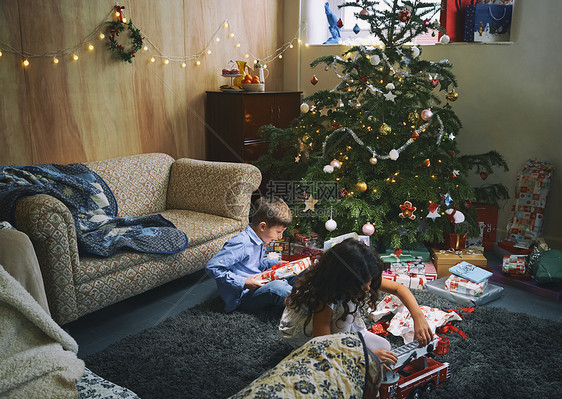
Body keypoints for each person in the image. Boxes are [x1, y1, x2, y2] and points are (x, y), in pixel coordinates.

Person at [279, 238, 433, 368]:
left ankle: (350, 339)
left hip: (337, 313)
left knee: (384, 348)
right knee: (346, 361)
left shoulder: (361, 275)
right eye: (362, 284)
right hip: (310, 332)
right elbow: (323, 347)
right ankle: (348, 342)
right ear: (343, 281)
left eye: (370, 281)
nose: (368, 288)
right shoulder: (323, 299)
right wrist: (363, 357)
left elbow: (399, 288)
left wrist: (418, 317)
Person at [206, 196, 293, 313]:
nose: (280, 237)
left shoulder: (262, 238)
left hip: (261, 279)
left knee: (294, 270)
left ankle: (302, 295)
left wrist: (276, 263)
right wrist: (244, 282)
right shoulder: (241, 243)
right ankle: (309, 306)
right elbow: (212, 267)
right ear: (262, 226)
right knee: (278, 288)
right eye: (278, 232)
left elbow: (259, 262)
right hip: (244, 296)